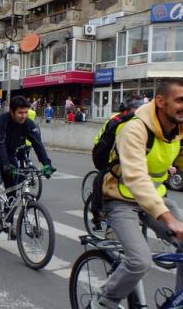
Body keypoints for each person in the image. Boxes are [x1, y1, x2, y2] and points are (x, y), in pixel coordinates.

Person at [91, 79, 183, 309]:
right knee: (139, 261)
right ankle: (104, 301)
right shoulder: (134, 129)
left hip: (154, 200)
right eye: (180, 100)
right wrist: (169, 218)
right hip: (120, 200)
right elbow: (136, 178)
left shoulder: (179, 130)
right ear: (160, 101)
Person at [0, 96, 56, 215]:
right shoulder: (2, 121)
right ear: (12, 112)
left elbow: (38, 144)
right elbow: (0, 145)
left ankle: (8, 220)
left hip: (10, 152)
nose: (23, 116)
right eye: (20, 112)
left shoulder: (28, 124)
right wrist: (6, 165)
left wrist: (47, 164)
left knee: (12, 186)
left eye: (26, 112)